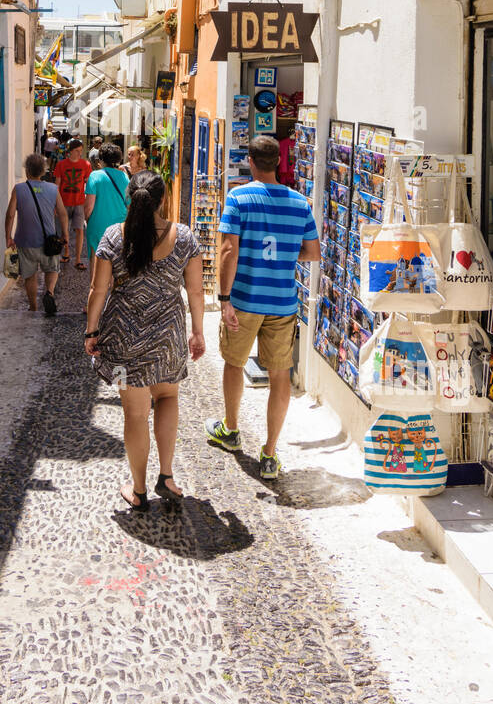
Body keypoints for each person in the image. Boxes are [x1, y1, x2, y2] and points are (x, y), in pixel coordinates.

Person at [85, 170, 205, 510]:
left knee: (135, 415)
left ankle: (138, 490)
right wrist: (197, 331)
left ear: (130, 198)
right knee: (167, 398)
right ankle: (166, 476)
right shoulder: (183, 237)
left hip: (123, 340)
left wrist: (91, 331)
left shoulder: (113, 236)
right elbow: (195, 291)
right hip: (168, 336)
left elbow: (98, 290)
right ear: (162, 200)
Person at [205, 134, 321, 479]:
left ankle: (231, 429)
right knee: (279, 374)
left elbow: (228, 250)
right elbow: (313, 253)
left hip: (244, 298)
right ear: (280, 164)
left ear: (251, 162)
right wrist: (287, 255)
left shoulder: (238, 197)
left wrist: (223, 298)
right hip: (282, 303)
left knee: (233, 363)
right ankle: (270, 453)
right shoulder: (300, 203)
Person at [4, 153, 69, 316]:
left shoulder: (19, 189)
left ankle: (33, 306)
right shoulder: (53, 189)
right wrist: (65, 235)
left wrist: (8, 237)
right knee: (52, 269)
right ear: (43, 171)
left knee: (30, 275)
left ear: (27, 171)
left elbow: (10, 214)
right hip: (49, 241)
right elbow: (62, 213)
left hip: (26, 241)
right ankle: (49, 292)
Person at [54, 137, 91, 268]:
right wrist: (55, 204)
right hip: (64, 203)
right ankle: (66, 253)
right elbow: (57, 185)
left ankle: (78, 259)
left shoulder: (86, 165)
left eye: (81, 151)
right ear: (70, 151)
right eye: (77, 150)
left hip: (79, 202)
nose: (79, 153)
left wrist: (88, 201)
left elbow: (88, 184)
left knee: (80, 230)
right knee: (65, 231)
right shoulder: (61, 165)